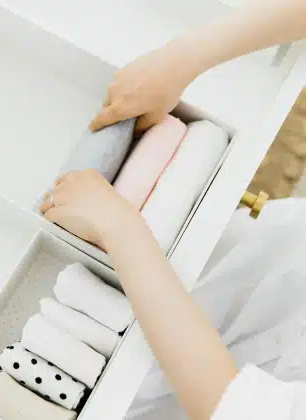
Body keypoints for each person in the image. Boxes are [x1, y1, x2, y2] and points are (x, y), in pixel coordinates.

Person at [40, 1, 306, 419]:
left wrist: (120, 227)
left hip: (175, 379)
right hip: (262, 268)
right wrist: (182, 58)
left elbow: (232, 407)